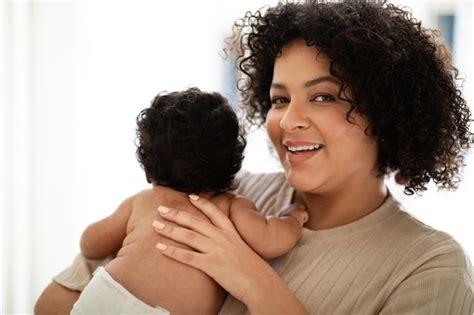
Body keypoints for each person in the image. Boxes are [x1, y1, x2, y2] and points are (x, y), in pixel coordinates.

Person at [35, 1, 474, 314]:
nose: (288, 121)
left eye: (322, 96)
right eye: (279, 100)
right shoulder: (221, 193)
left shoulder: (429, 266)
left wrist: (250, 277)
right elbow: (52, 304)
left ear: (387, 112)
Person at [65, 88, 308, 314]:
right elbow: (269, 240)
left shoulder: (143, 202)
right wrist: (292, 218)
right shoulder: (230, 206)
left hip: (104, 297)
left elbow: (90, 245)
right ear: (232, 166)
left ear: (148, 169)